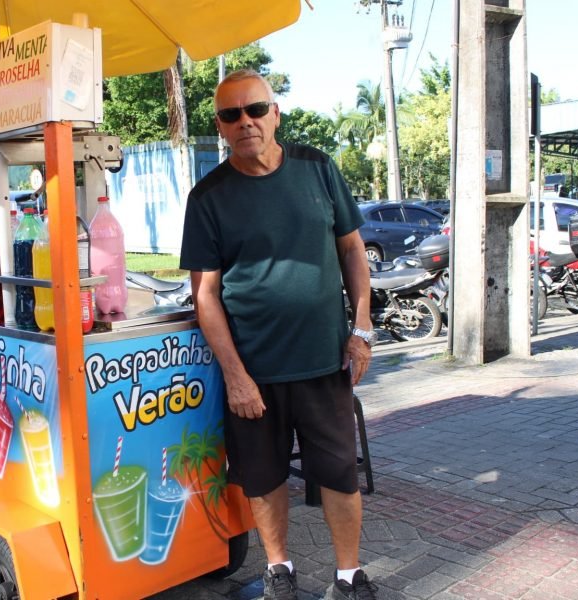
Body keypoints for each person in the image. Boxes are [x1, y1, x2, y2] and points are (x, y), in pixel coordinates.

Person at [180, 70, 377, 600]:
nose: (245, 122)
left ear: (275, 114)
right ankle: (278, 571)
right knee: (263, 479)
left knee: (338, 474)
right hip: (255, 372)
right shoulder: (208, 197)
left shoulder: (318, 168)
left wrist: (361, 328)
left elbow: (353, 251)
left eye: (255, 110)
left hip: (324, 361)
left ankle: (348, 577)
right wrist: (236, 376)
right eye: (231, 115)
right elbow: (206, 296)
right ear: (221, 128)